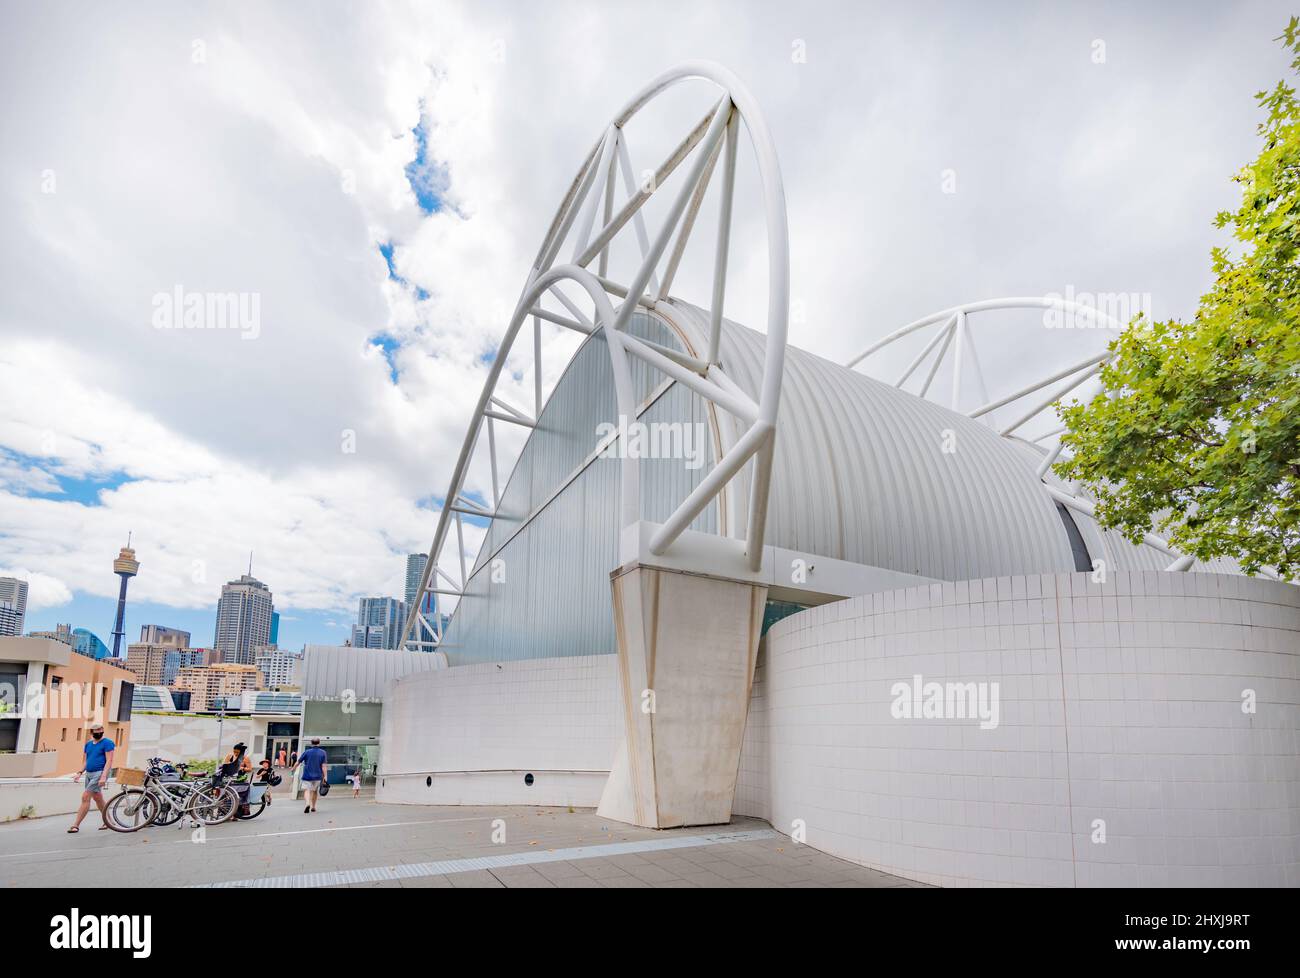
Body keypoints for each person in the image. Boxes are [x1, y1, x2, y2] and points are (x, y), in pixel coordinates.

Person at [68, 723, 114, 833]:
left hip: (99, 773)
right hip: (89, 773)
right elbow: (86, 761)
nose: (98, 732)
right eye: (96, 730)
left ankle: (76, 825)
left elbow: (109, 760)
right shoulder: (88, 744)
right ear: (91, 732)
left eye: (100, 729)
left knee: (85, 797)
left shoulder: (108, 743)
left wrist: (103, 776)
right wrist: (80, 773)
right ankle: (109, 822)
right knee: (98, 798)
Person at [294, 738, 328, 814]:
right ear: (319, 743)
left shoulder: (307, 752)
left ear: (311, 743)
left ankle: (307, 804)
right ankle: (313, 807)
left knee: (307, 790)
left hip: (307, 775)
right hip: (318, 776)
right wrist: (325, 776)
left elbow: (298, 762)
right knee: (314, 791)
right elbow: (324, 766)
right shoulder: (323, 752)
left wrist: (293, 768)